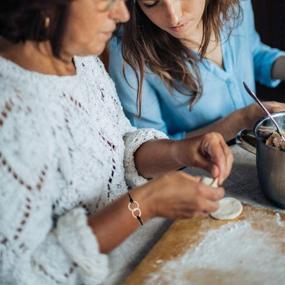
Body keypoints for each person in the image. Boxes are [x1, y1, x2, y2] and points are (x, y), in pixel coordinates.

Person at [0, 1, 233, 284]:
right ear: (44, 7)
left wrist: (181, 151)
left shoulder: (81, 60)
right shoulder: (11, 115)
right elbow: (21, 274)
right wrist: (145, 204)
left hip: (144, 252)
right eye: (105, 3)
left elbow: (119, 147)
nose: (123, 14)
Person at [108, 0, 285, 141]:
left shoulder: (235, 3)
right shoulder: (127, 54)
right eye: (151, 2)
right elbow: (151, 149)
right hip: (198, 173)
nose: (174, 17)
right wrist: (240, 121)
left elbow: (252, 51)